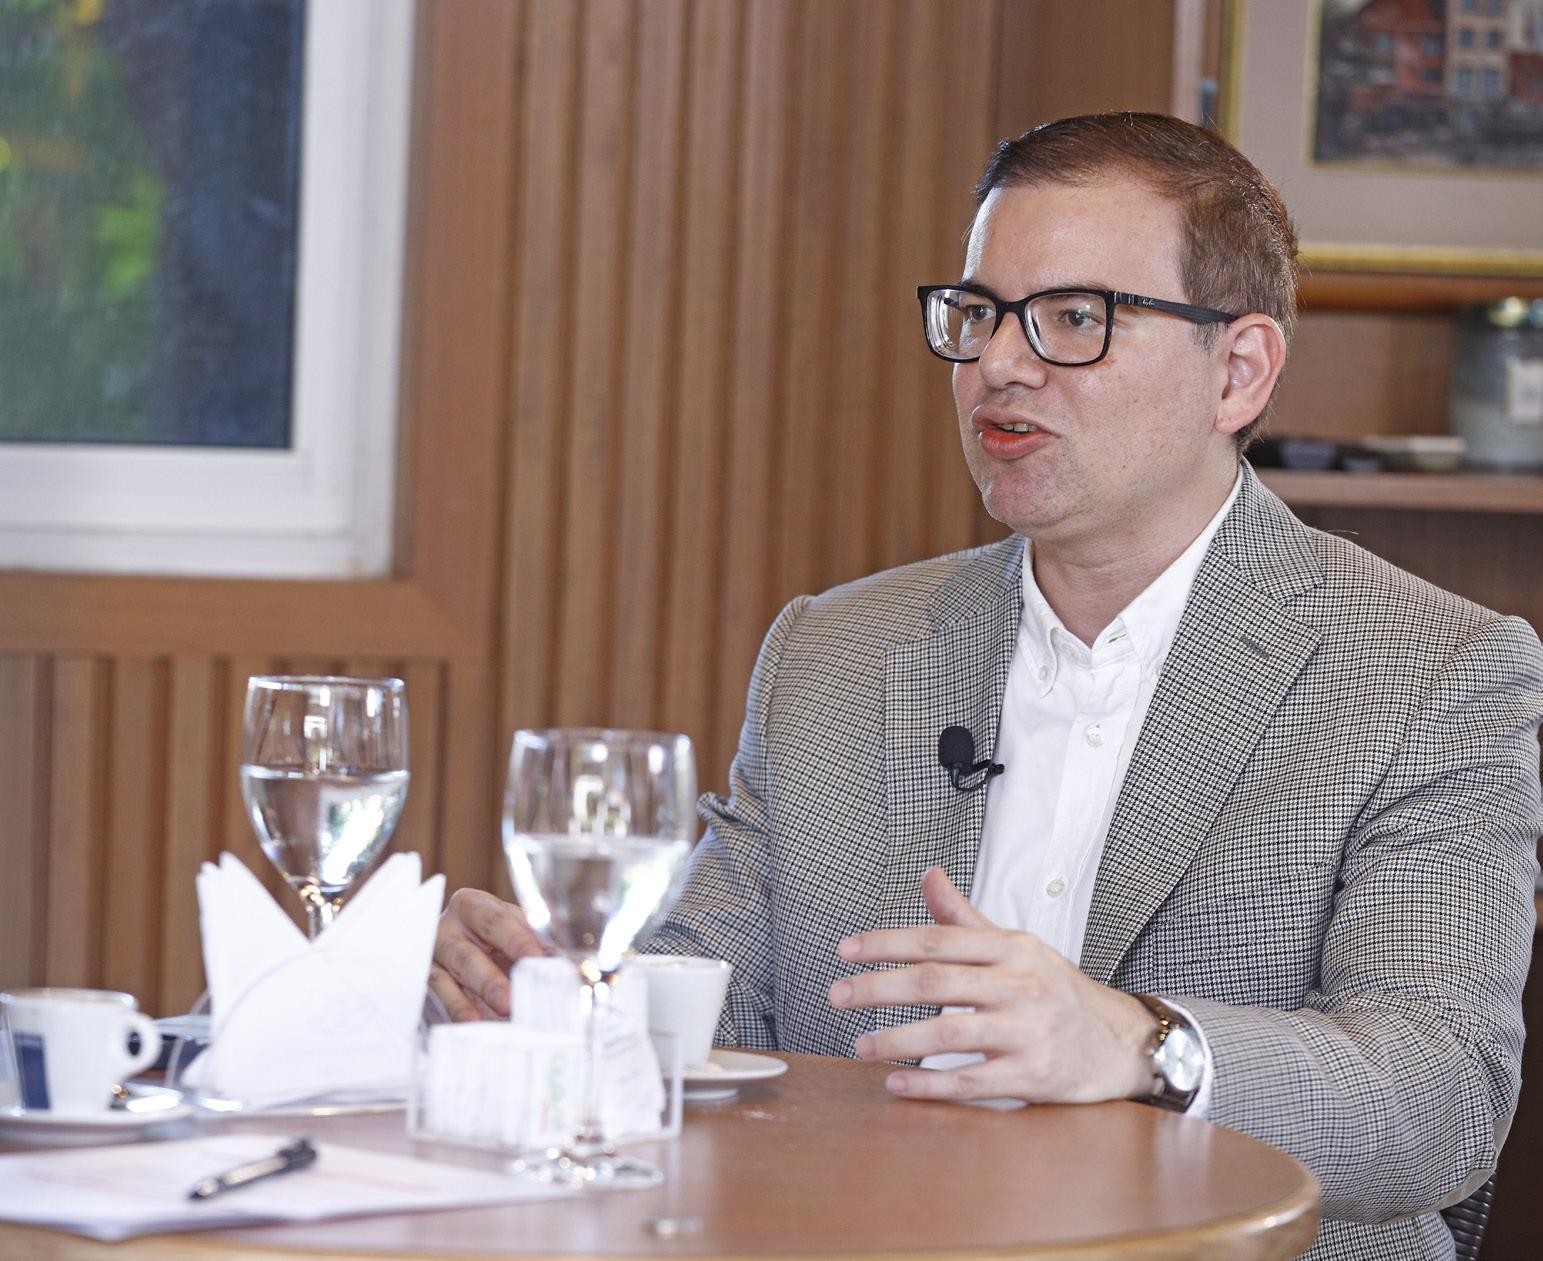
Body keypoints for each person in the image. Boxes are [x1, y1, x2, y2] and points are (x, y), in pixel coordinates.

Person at [431, 113, 1543, 1259]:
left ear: (1238, 372)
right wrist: (557, 998)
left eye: (1075, 318)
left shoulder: (1430, 672)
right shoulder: (834, 650)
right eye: (978, 315)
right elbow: (714, 994)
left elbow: (1439, 1094)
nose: (999, 365)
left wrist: (1140, 1045)